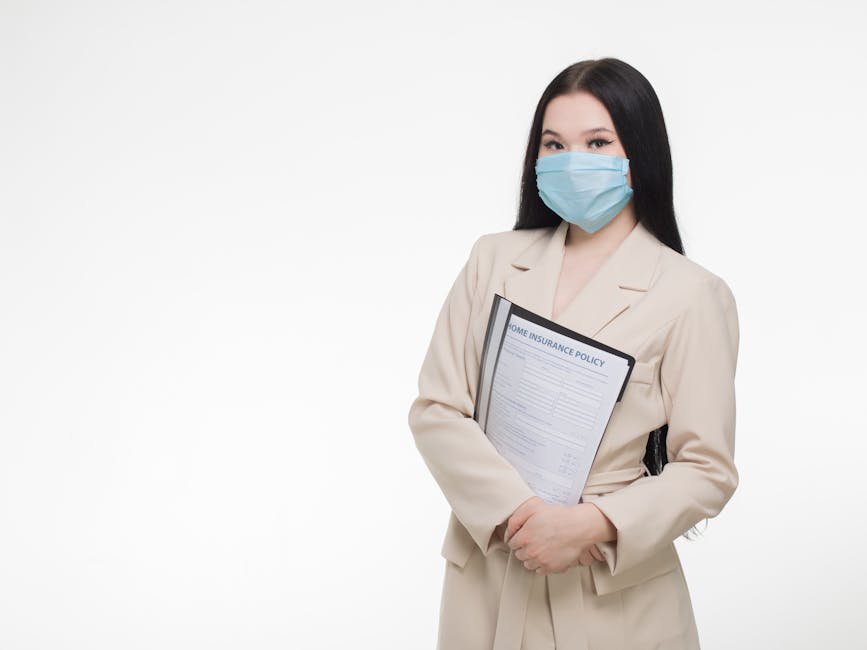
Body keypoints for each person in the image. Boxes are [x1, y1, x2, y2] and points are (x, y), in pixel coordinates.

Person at [407, 57, 740, 650]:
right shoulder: (492, 260)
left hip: (611, 595)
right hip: (489, 573)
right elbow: (436, 408)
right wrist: (518, 515)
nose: (571, 161)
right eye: (553, 144)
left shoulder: (691, 294)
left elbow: (706, 468)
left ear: (640, 151)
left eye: (597, 142)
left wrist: (593, 524)